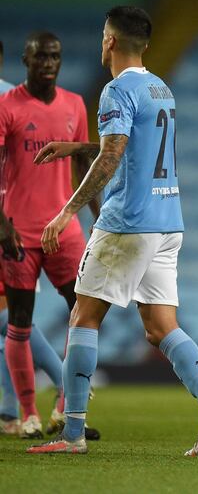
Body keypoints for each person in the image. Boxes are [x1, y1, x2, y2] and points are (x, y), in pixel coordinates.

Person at [27, 5, 198, 456]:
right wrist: (79, 146)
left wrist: (66, 212)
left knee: (83, 317)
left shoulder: (115, 91)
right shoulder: (161, 89)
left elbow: (113, 155)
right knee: (161, 327)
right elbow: (131, 148)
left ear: (110, 41)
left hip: (128, 222)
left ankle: (72, 436)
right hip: (167, 223)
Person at [0, 32, 100, 439]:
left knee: (86, 312)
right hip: (18, 230)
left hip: (65, 228)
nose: (48, 63)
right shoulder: (7, 105)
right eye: (40, 57)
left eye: (54, 57)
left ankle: (66, 407)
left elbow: (85, 163)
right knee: (18, 322)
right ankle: (27, 414)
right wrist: (2, 224)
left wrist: (96, 215)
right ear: (26, 59)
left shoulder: (74, 104)